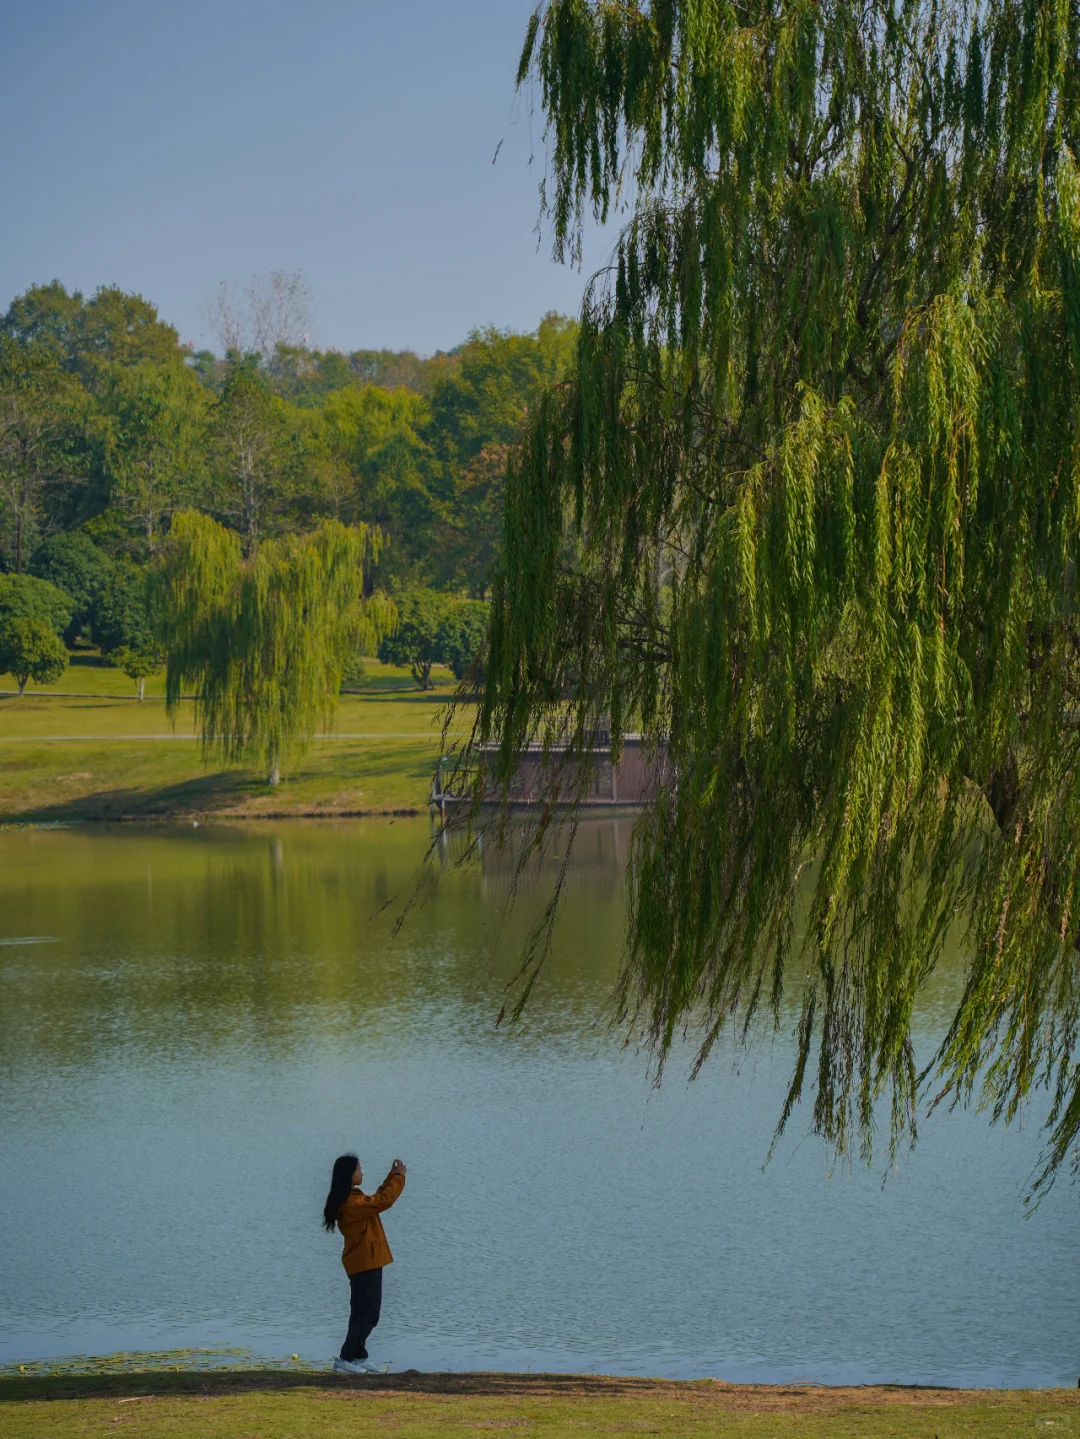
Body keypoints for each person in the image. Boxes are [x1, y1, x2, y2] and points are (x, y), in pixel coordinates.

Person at [322, 1152, 406, 1375]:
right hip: (364, 1263)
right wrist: (398, 1178)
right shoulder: (351, 1204)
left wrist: (391, 1177)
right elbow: (382, 1201)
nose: (362, 1172)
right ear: (349, 1174)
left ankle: (358, 1357)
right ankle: (345, 1359)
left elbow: (376, 1200)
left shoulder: (353, 1199)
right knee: (365, 1314)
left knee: (366, 1312)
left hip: (367, 1261)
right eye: (359, 1169)